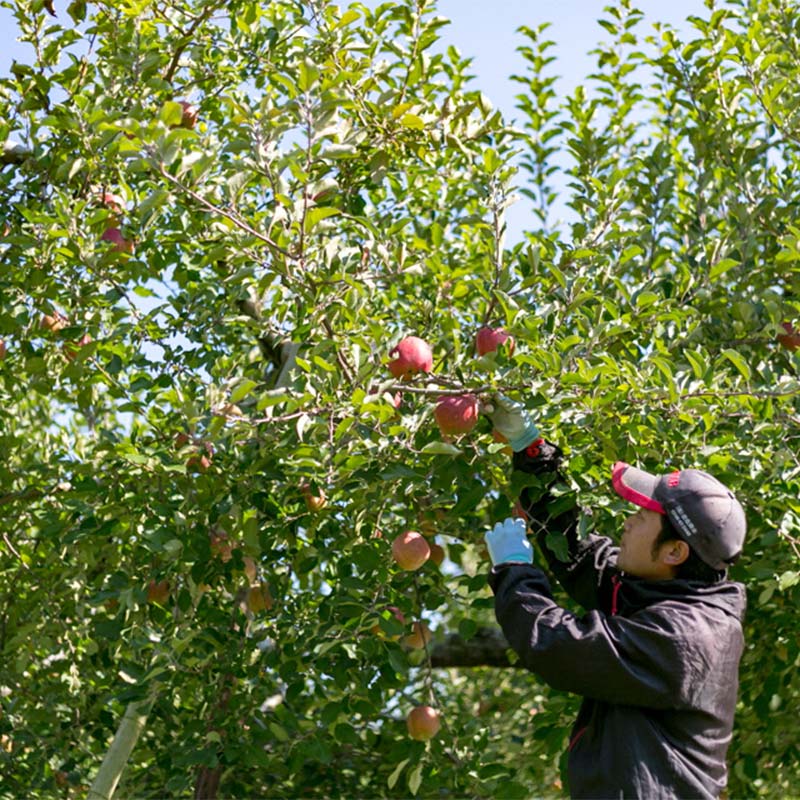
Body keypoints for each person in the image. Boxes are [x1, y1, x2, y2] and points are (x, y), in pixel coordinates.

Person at [484, 396, 747, 800]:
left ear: (674, 552)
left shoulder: (688, 637)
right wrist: (531, 450)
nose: (627, 523)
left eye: (642, 517)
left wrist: (514, 572)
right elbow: (580, 554)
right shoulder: (658, 594)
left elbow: (561, 646)